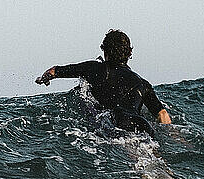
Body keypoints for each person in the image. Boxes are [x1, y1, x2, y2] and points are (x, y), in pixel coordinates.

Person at [35, 29, 171, 137]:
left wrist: (44, 78)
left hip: (116, 122)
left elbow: (54, 71)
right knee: (155, 162)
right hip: (143, 124)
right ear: (129, 53)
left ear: (104, 50)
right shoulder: (143, 83)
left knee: (135, 157)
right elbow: (163, 115)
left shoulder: (93, 68)